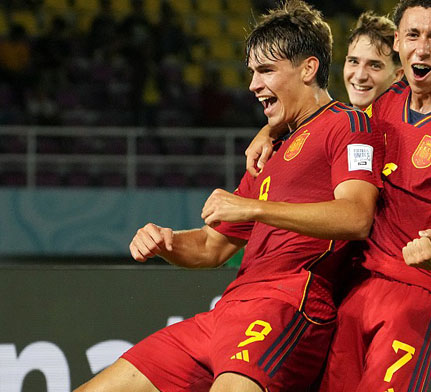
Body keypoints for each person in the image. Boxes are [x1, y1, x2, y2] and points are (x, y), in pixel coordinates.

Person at [75, 1, 384, 391]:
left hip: (286, 305)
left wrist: (254, 207)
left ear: (308, 68)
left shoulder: (348, 125)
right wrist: (166, 241)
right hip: (225, 312)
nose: (254, 84)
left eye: (266, 70)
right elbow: (211, 246)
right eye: (252, 72)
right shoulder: (271, 150)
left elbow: (357, 217)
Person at [318, 1, 431, 391]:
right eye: (413, 35)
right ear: (399, 43)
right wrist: (268, 132)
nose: (422, 48)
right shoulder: (384, 101)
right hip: (359, 282)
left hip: (418, 288)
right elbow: (323, 120)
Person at [245, 10, 403, 176]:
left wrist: (269, 131)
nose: (360, 75)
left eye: (375, 66)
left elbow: (356, 203)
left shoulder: (402, 128)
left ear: (398, 76)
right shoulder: (336, 124)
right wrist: (269, 132)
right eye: (353, 61)